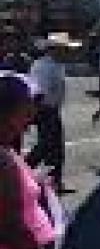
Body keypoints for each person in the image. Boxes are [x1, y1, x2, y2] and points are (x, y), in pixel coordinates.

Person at [0, 72, 61, 249]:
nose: (32, 113)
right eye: (27, 106)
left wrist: (34, 182)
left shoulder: (7, 150)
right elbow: (11, 227)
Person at [27, 33, 72, 194]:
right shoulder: (43, 66)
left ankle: (55, 182)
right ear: (53, 49)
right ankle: (24, 170)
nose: (66, 53)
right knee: (46, 146)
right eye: (63, 49)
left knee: (56, 148)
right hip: (44, 110)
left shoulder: (57, 65)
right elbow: (40, 93)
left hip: (52, 109)